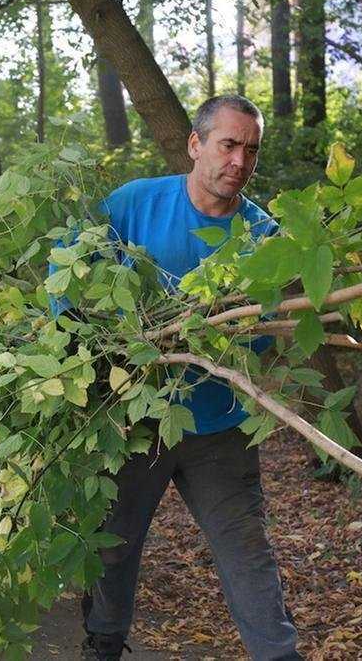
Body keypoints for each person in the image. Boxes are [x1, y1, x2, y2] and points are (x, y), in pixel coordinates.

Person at [73, 96, 302, 661]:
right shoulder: (133, 204)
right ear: (196, 145)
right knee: (114, 544)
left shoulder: (263, 238)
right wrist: (88, 342)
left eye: (251, 149)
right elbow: (69, 268)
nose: (240, 160)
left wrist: (214, 334)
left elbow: (267, 333)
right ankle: (103, 642)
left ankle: (279, 654)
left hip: (218, 424)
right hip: (133, 417)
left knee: (246, 549)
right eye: (228, 144)